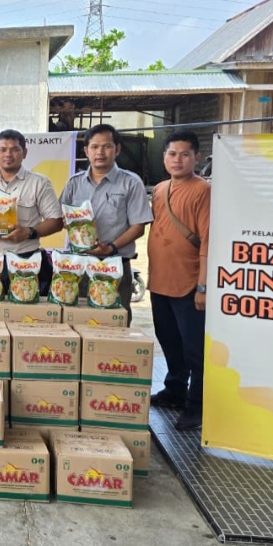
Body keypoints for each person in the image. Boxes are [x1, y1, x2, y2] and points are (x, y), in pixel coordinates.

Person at [147, 130, 210, 432]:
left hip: (190, 285)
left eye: (185, 154)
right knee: (169, 341)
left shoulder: (204, 191)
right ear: (164, 157)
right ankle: (174, 389)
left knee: (194, 349)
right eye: (172, 154)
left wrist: (204, 286)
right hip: (160, 281)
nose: (178, 159)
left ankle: (196, 406)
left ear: (196, 157)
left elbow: (209, 239)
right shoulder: (159, 189)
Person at [60, 123, 153, 314]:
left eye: (107, 146)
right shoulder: (74, 183)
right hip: (79, 266)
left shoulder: (131, 182)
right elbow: (62, 218)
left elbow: (138, 227)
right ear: (86, 151)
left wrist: (111, 247)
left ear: (117, 149)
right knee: (78, 321)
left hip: (114, 266)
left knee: (115, 324)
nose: (100, 152)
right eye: (94, 147)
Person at [0, 129, 63, 296]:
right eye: (3, 149)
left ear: (24, 153)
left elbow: (56, 221)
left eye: (15, 149)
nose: (8, 154)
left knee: (25, 314)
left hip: (26, 261)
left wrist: (29, 232)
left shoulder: (39, 183)